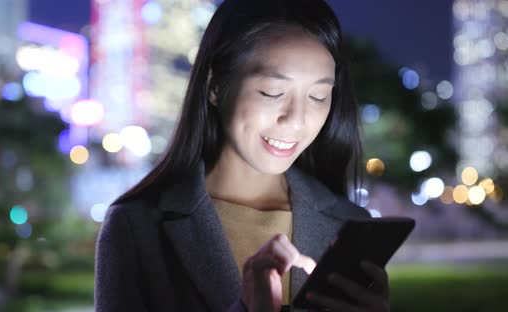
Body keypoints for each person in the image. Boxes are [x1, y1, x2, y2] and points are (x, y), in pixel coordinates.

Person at [95, 0, 390, 311]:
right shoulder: (136, 226)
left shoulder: (349, 227)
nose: (297, 120)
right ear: (216, 86)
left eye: (318, 96)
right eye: (273, 93)